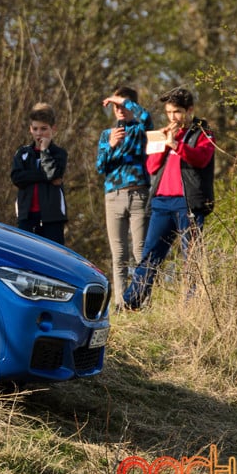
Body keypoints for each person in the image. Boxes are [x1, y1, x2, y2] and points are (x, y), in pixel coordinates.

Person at [122, 87, 215, 310]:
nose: (173, 117)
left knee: (190, 257)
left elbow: (201, 159)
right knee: (150, 255)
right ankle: (131, 303)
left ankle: (191, 308)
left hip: (189, 204)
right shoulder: (162, 134)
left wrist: (177, 144)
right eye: (169, 112)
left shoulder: (203, 132)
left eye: (178, 112)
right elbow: (152, 166)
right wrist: (164, 143)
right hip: (162, 203)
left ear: (190, 110)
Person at [96, 86, 154, 310]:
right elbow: (101, 166)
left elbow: (146, 116)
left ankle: (142, 301)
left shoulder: (141, 130)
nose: (119, 110)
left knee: (141, 251)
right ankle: (121, 302)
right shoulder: (106, 134)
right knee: (119, 254)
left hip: (138, 194)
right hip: (113, 197)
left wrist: (119, 99)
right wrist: (111, 146)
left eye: (123, 105)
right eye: (115, 107)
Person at [11, 103, 68, 244]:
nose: (39, 133)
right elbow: (17, 178)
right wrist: (46, 177)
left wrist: (44, 151)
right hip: (26, 216)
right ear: (30, 129)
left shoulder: (59, 153)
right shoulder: (22, 153)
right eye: (35, 129)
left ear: (53, 128)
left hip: (52, 217)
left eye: (43, 129)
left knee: (54, 256)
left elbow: (53, 174)